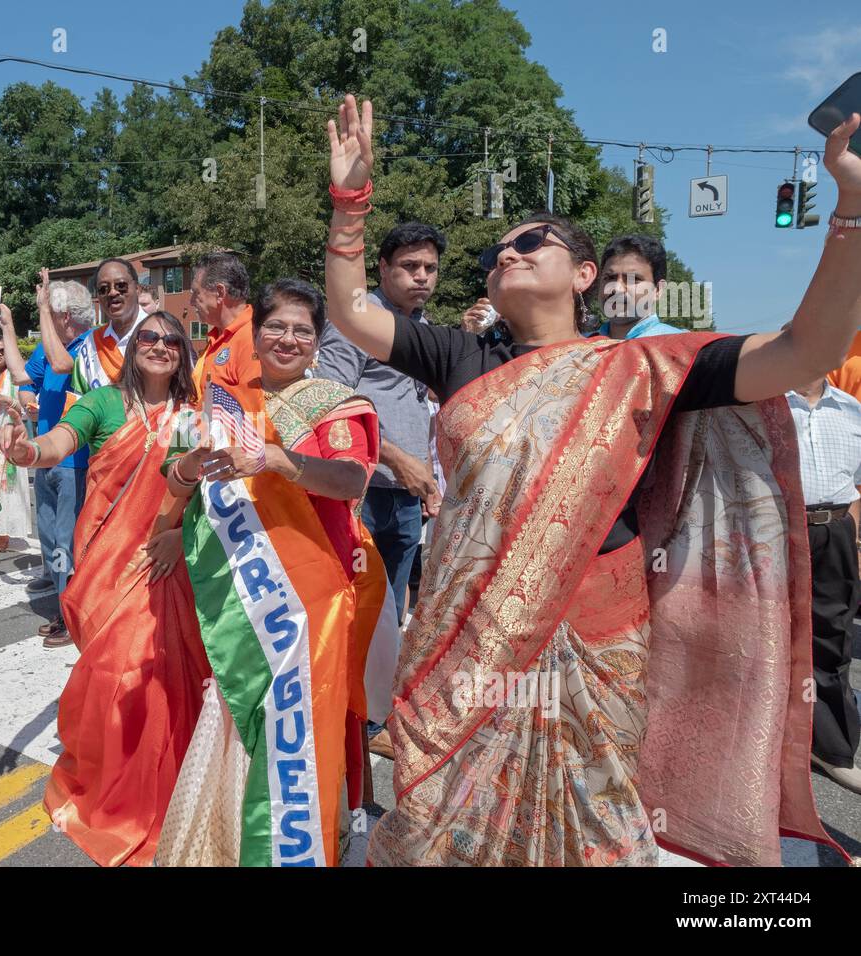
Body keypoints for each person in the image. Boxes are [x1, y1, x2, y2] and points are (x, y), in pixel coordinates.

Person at [324, 95, 861, 866]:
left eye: (530, 241)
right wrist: (351, 202)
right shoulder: (461, 358)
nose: (506, 253)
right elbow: (348, 308)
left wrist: (851, 206)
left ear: (583, 273)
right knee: (447, 814)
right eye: (495, 251)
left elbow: (809, 348)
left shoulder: (643, 369)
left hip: (594, 634)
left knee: (593, 816)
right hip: (468, 632)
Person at [155, 279, 391, 867]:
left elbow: (351, 481)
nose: (287, 339)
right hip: (244, 586)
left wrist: (277, 460)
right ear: (254, 334)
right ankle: (227, 842)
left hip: (311, 588)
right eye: (276, 327)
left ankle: (302, 842)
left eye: (302, 330)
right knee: (240, 708)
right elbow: (174, 472)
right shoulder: (222, 398)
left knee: (303, 721)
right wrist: (185, 469)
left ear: (317, 343)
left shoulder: (336, 405)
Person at [1, 311, 208, 866]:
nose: (160, 346)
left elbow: (206, 494)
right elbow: (57, 442)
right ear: (132, 347)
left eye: (171, 340)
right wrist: (26, 451)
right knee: (116, 674)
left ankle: (162, 790)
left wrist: (174, 537)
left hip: (169, 563)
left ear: (183, 353)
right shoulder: (102, 402)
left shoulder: (193, 415)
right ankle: (112, 777)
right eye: (149, 337)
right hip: (107, 563)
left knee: (156, 672)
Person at [316, 222, 446, 761]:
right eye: (409, 267)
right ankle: (353, 720)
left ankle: (375, 713)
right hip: (363, 487)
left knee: (393, 611)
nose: (421, 278)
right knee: (359, 605)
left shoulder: (421, 327)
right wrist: (395, 457)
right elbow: (331, 398)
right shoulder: (356, 323)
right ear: (384, 270)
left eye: (430, 269)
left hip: (409, 493)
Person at [786, 375, 861, 794]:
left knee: (832, 636)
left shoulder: (851, 409)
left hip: (835, 532)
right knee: (772, 634)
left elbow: (857, 481)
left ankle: (832, 750)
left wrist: (852, 532)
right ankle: (772, 743)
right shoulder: (766, 403)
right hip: (780, 527)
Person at [19, 273, 96, 646]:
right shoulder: (51, 344)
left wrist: (43, 314)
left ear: (65, 316)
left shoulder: (86, 345)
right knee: (48, 535)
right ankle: (61, 600)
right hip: (45, 455)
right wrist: (22, 393)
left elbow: (61, 364)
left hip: (73, 460)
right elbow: (25, 377)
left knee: (67, 540)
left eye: (50, 313)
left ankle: (71, 615)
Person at [0, 307, 33, 556]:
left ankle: (3, 534)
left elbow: (26, 407)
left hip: (9, 434)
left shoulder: (15, 376)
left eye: (3, 350)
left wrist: (5, 399)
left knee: (6, 486)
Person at [69, 258, 145, 396]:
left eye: (121, 285)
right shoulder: (90, 343)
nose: (112, 293)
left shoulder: (162, 334)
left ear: (138, 289)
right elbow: (79, 401)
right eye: (103, 289)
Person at [188, 251, 257, 399]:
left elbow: (253, 411)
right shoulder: (217, 336)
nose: (191, 301)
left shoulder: (252, 338)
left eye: (196, 293)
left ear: (219, 292)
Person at [596, 234, 685, 339]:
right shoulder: (580, 349)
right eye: (610, 277)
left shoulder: (682, 347)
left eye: (632, 279)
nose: (617, 288)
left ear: (658, 290)